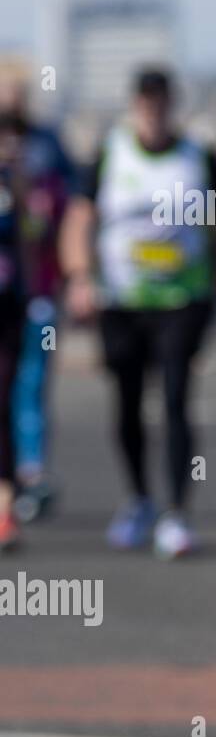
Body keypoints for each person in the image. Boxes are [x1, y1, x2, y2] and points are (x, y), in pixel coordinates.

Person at [60, 67, 216, 559]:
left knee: (175, 396)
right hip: (121, 301)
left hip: (183, 300)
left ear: (171, 105)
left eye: (161, 101)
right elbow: (80, 219)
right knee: (125, 401)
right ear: (134, 105)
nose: (153, 110)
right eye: (145, 101)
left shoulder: (200, 158)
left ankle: (176, 514)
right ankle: (139, 499)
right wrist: (80, 278)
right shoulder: (109, 154)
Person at [0, 76, 75, 522]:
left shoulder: (47, 150)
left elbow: (70, 214)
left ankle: (30, 473)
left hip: (38, 293)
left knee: (30, 386)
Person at [0, 114, 33, 548]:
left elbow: (32, 240)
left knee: (2, 399)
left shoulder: (18, 188)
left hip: (8, 308)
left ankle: (4, 503)